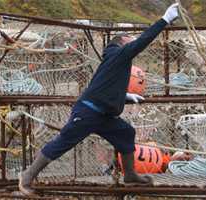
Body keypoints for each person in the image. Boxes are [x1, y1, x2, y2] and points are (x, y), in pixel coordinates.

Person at [18, 3, 180, 196]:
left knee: (126, 132)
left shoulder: (115, 59)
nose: (134, 40)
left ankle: (129, 175)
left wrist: (125, 96)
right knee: (63, 142)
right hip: (88, 111)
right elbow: (142, 41)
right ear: (122, 42)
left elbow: (106, 86)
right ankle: (26, 177)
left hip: (103, 115)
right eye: (130, 38)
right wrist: (165, 20)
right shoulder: (121, 53)